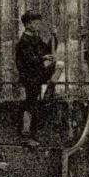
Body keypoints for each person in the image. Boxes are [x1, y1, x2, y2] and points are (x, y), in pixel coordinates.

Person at [14, 11, 57, 143]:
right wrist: (43, 58)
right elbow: (27, 60)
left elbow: (47, 49)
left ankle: (29, 135)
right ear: (28, 24)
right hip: (28, 77)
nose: (39, 24)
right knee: (30, 104)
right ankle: (26, 136)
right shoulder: (24, 40)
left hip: (36, 75)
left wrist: (54, 35)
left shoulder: (35, 37)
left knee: (33, 104)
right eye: (36, 22)